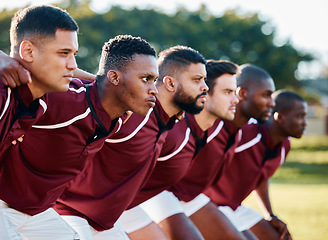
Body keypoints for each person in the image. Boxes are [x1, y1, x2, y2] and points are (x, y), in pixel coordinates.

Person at [0, 27, 159, 240]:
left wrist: (98, 81)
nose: (154, 89)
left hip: (33, 212)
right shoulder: (64, 99)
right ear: (114, 77)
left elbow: (96, 85)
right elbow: (9, 70)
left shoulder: (120, 116)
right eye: (146, 78)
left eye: (154, 80)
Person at [52, 45, 208, 239]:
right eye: (197, 80)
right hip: (68, 210)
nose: (205, 87)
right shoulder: (132, 113)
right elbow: (57, 76)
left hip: (106, 221)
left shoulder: (167, 122)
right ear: (170, 83)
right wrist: (3, 58)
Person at [133, 64, 276, 239]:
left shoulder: (234, 130)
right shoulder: (180, 127)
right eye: (228, 92)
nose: (236, 99)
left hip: (191, 196)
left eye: (234, 92)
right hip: (159, 194)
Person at [119, 60, 241, 239]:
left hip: (168, 197)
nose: (235, 100)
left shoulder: (206, 130)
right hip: (125, 202)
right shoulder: (174, 129)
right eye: (228, 92)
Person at [205, 90, 307, 240]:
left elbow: (261, 177)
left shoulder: (285, 145)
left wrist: (269, 214)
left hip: (234, 207)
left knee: (280, 237)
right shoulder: (247, 132)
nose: (305, 123)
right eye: (300, 116)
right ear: (279, 117)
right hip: (210, 204)